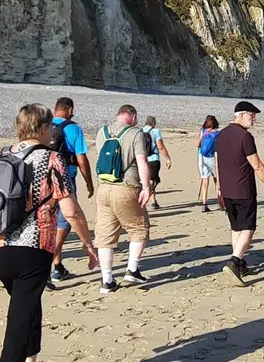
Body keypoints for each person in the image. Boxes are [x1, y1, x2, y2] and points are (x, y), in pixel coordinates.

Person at [0, 104, 98, 362]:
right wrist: (88, 244)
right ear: (43, 129)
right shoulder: (52, 159)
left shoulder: (3, 157)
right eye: (50, 129)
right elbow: (71, 210)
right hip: (33, 250)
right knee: (18, 324)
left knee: (29, 308)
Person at [214, 100, 264, 283]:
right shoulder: (245, 137)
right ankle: (235, 261)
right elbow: (257, 165)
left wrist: (219, 188)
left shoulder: (221, 135)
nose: (254, 119)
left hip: (227, 190)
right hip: (243, 190)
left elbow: (218, 163)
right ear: (241, 115)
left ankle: (240, 262)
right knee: (248, 228)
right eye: (252, 116)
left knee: (236, 227)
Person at [94, 105, 154, 290]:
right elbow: (142, 161)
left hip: (104, 188)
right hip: (126, 187)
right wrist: (146, 187)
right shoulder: (135, 133)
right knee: (139, 228)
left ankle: (107, 280)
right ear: (133, 117)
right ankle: (132, 269)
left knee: (105, 236)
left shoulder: (102, 132)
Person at [49, 97, 94, 284]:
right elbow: (81, 159)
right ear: (70, 110)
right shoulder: (73, 128)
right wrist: (89, 182)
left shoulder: (44, 125)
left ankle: (58, 266)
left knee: (48, 220)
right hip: (65, 178)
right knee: (65, 221)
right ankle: (51, 260)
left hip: (42, 178)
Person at [142, 116, 172, 212]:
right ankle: (145, 199)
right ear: (154, 123)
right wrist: (167, 158)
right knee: (152, 181)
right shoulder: (155, 131)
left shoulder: (139, 132)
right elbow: (160, 147)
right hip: (153, 159)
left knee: (146, 180)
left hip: (142, 159)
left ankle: (153, 201)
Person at [196, 115, 221, 210]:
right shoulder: (218, 133)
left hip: (202, 157)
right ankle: (220, 202)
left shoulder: (203, 131)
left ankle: (204, 204)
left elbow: (197, 144)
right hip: (212, 157)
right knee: (217, 180)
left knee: (205, 180)